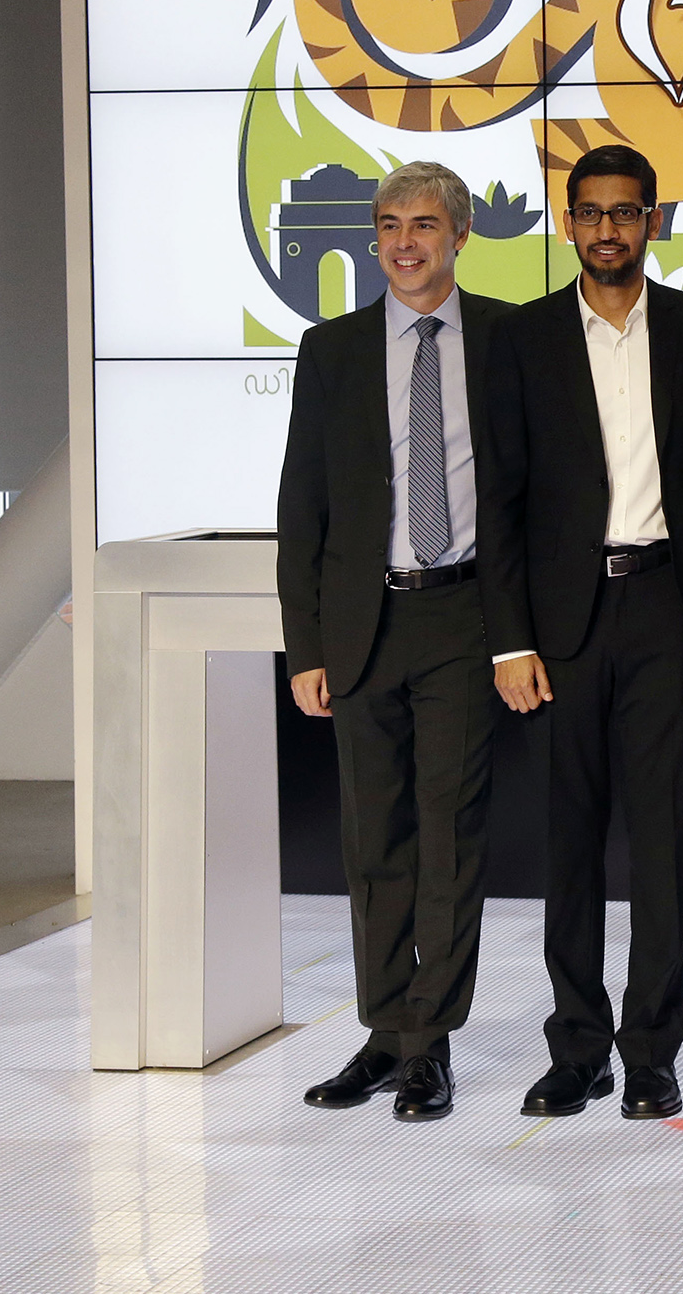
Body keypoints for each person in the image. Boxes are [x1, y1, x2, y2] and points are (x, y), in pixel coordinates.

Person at [481, 145, 683, 1122]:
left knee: (662, 845)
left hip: (668, 608)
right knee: (570, 842)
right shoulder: (523, 337)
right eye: (589, 212)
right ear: (568, 221)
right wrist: (509, 638)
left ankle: (651, 1053)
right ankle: (578, 1047)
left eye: (625, 212)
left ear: (652, 220)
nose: (607, 229)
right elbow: (500, 500)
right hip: (560, 624)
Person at [278, 161, 512, 1122]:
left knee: (450, 836)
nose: (404, 240)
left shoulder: (506, 339)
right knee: (375, 838)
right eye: (388, 224)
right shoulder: (329, 349)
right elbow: (304, 507)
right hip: (361, 622)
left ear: (460, 232)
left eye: (423, 222)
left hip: (461, 616)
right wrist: (306, 647)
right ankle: (382, 1033)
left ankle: (430, 1043)